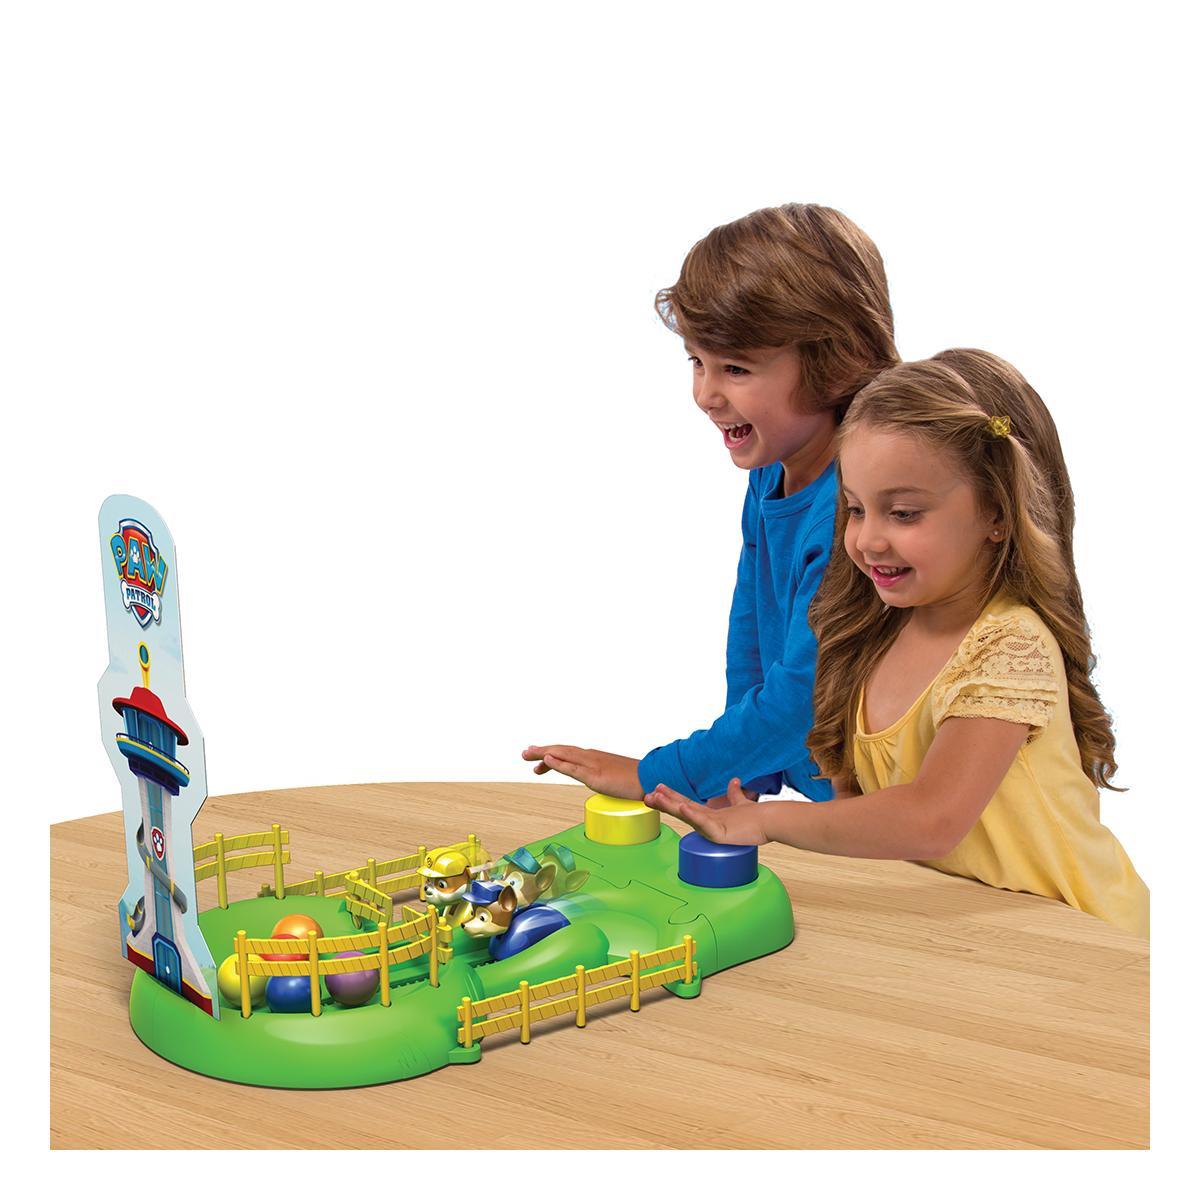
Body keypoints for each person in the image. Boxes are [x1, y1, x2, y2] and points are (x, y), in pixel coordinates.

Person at [644, 350, 1149, 936]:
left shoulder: (1010, 646)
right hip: (966, 934)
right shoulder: (871, 634)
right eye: (856, 510)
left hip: (1084, 940)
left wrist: (770, 823)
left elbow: (932, 819)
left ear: (997, 514)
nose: (867, 540)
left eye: (904, 513)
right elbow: (860, 812)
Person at [524, 204, 899, 802]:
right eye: (697, 362)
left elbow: (801, 698)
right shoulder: (774, 469)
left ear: (836, 363)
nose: (705, 393)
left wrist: (658, 773)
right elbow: (750, 631)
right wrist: (735, 778)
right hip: (829, 801)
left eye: (736, 369)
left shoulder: (857, 508)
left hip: (887, 807)